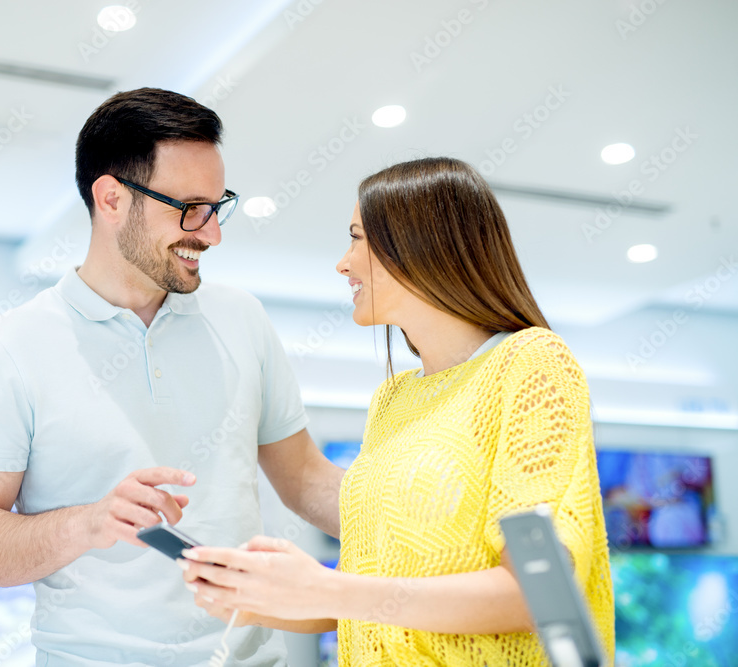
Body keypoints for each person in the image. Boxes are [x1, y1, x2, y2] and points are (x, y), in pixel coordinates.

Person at [0, 87, 344, 666]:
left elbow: (305, 479)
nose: (211, 233)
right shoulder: (12, 348)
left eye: (216, 205)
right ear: (111, 199)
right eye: (189, 208)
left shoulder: (242, 318)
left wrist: (433, 524)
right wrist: (88, 523)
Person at [180, 157, 616, 666]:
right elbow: (383, 601)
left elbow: (538, 594)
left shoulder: (531, 363)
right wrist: (268, 597)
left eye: (357, 238)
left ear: (421, 243)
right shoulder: (393, 401)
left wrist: (327, 589)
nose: (343, 263)